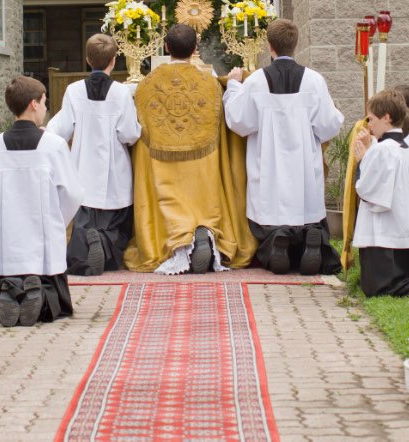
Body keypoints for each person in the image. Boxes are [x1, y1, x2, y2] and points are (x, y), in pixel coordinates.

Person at [124, 24, 255, 274]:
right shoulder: (211, 85)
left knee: (168, 201)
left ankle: (177, 241)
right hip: (202, 169)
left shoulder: (147, 85)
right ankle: (204, 231)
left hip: (162, 169)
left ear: (166, 47)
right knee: (202, 196)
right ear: (196, 48)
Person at [224, 19, 344, 275]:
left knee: (268, 216)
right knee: (307, 212)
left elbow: (239, 122)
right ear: (295, 45)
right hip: (303, 166)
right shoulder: (313, 80)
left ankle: (277, 241)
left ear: (269, 46)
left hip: (268, 165)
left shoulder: (256, 81)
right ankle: (310, 237)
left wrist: (233, 86)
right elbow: (328, 125)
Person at [0, 76, 83, 326]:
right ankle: (40, 295)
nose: (46, 108)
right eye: (44, 102)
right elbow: (73, 193)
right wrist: (56, 219)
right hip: (43, 243)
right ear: (34, 104)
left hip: (6, 242)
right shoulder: (53, 146)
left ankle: (8, 289)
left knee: (8, 271)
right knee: (44, 277)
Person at [47, 33, 141, 276]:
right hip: (115, 172)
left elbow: (62, 130)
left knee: (83, 224)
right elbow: (129, 134)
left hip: (83, 168)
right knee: (117, 228)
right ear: (113, 61)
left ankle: (89, 241)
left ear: (88, 60)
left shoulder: (74, 90)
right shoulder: (121, 93)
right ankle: (103, 242)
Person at [350, 90, 409, 296]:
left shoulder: (383, 150)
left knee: (378, 289)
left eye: (371, 119)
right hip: (405, 232)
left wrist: (362, 159)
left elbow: (368, 190)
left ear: (387, 117)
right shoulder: (406, 150)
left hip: (386, 236)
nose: (369, 125)